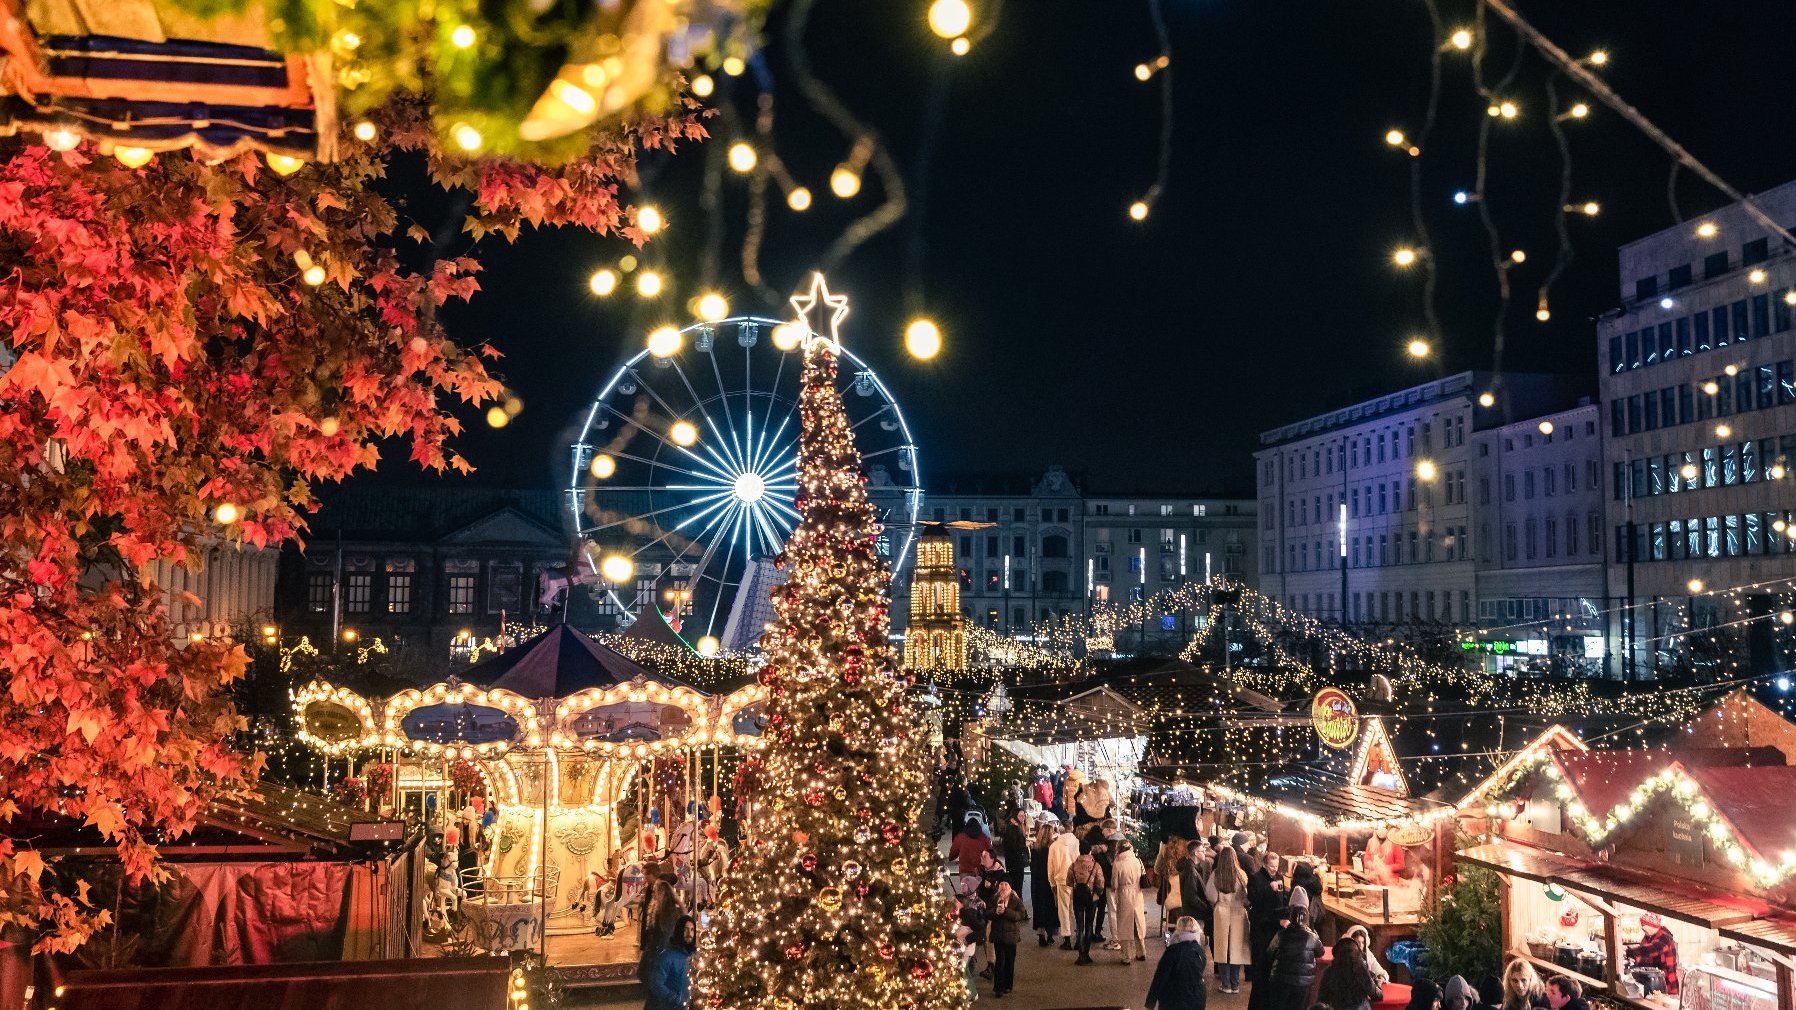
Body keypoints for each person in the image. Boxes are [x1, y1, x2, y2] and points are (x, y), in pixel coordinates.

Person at [1205, 845, 1252, 993]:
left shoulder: (1216, 874)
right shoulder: (1241, 874)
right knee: (1237, 947)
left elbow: (1211, 895)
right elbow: (1247, 897)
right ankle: (1235, 983)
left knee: (1222, 948)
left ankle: (1226, 984)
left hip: (1221, 911)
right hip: (1238, 911)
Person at [1248, 851, 1291, 1010]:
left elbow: (1282, 899)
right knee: (1261, 971)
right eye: (1271, 866)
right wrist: (1268, 888)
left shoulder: (1279, 877)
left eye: (1276, 866)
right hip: (1262, 931)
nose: (1274, 869)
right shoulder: (1255, 878)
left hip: (1277, 930)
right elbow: (1253, 901)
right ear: (1265, 865)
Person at [1262, 904, 1324, 1010]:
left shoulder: (1281, 934)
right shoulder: (1312, 937)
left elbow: (1269, 953)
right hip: (1303, 983)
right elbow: (1321, 952)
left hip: (1280, 979)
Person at [1147, 915, 1210, 1010]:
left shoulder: (1172, 951)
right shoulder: (1199, 951)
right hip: (1197, 998)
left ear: (1178, 931)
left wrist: (1151, 1002)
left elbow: (1160, 976)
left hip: (1174, 999)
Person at [637, 871, 686, 985]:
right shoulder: (659, 903)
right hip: (656, 943)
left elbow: (664, 929)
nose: (653, 888)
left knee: (649, 973)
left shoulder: (664, 907)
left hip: (659, 944)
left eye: (656, 888)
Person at [1318, 937, 1384, 1010]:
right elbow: (1377, 995)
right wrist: (1378, 984)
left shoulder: (1329, 972)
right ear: (1357, 955)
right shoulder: (1361, 971)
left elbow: (1322, 1001)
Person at [645, 914, 695, 1010]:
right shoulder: (667, 956)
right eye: (685, 929)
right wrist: (678, 1000)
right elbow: (656, 984)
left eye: (692, 930)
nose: (689, 933)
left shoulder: (694, 954)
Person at [988, 880, 1029, 998]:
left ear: (1010, 886)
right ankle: (998, 988)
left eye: (1006, 884)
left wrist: (1006, 912)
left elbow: (1020, 915)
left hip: (1011, 936)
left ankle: (1008, 985)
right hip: (998, 935)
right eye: (1001, 884)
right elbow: (987, 913)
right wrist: (995, 912)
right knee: (1000, 961)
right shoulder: (994, 898)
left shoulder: (1015, 899)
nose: (1003, 886)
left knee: (1009, 961)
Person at [1068, 844, 1106, 965]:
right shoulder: (1096, 865)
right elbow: (1100, 883)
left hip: (1078, 897)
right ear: (1090, 851)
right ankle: (1086, 954)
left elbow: (1068, 881)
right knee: (1089, 925)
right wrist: (1098, 894)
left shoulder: (1073, 865)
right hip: (1091, 898)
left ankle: (1080, 955)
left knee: (1080, 926)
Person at [1113, 839, 1149, 963]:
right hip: (1138, 893)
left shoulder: (1117, 863)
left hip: (1124, 894)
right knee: (1138, 921)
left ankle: (1126, 956)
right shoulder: (1138, 861)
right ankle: (1141, 952)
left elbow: (1114, 884)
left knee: (1124, 923)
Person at [1626, 912, 1680, 994]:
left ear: (1652, 926)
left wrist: (1629, 952)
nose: (1642, 928)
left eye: (1644, 925)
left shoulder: (1665, 938)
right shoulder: (1648, 937)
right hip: (1653, 982)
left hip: (1667, 983)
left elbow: (1649, 950)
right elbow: (1644, 956)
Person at [1049, 823, 1082, 950]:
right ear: (1072, 828)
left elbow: (1050, 869)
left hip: (1062, 880)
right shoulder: (1078, 843)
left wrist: (1052, 884)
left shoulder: (1054, 846)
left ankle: (1067, 938)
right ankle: (1079, 937)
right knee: (1077, 909)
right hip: (1078, 880)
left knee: (1063, 910)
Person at [1030, 821, 1061, 947]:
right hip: (1050, 882)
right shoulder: (1053, 848)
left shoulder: (1035, 849)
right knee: (1051, 908)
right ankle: (1050, 934)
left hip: (1038, 882)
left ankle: (1041, 935)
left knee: (1039, 908)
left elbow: (1033, 867)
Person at [951, 820, 993, 895]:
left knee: (967, 894)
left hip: (965, 870)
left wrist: (951, 857)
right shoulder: (984, 837)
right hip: (980, 871)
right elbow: (991, 853)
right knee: (980, 894)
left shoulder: (960, 837)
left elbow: (953, 853)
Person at [999, 811, 1029, 894]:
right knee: (1017, 887)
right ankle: (1017, 904)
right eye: (1021, 816)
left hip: (1013, 862)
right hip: (1016, 863)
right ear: (1015, 817)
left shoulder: (1014, 827)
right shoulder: (1014, 829)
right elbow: (1013, 847)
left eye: (1024, 816)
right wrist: (1025, 845)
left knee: (1016, 886)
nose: (1023, 818)